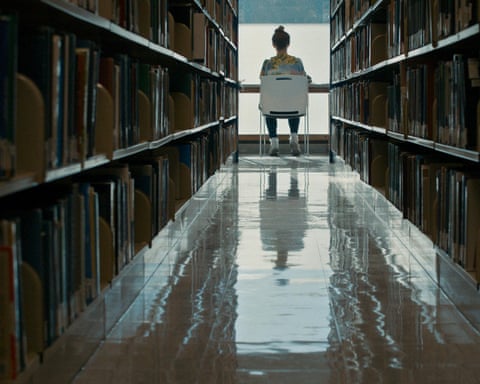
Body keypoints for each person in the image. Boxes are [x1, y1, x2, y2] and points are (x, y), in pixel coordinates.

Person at [260, 25, 309, 156]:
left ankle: (274, 141)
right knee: (294, 102)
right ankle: (294, 139)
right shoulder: (297, 62)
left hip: (273, 106)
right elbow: (305, 80)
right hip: (293, 106)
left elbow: (263, 82)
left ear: (273, 44)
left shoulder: (267, 64)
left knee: (267, 105)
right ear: (288, 43)